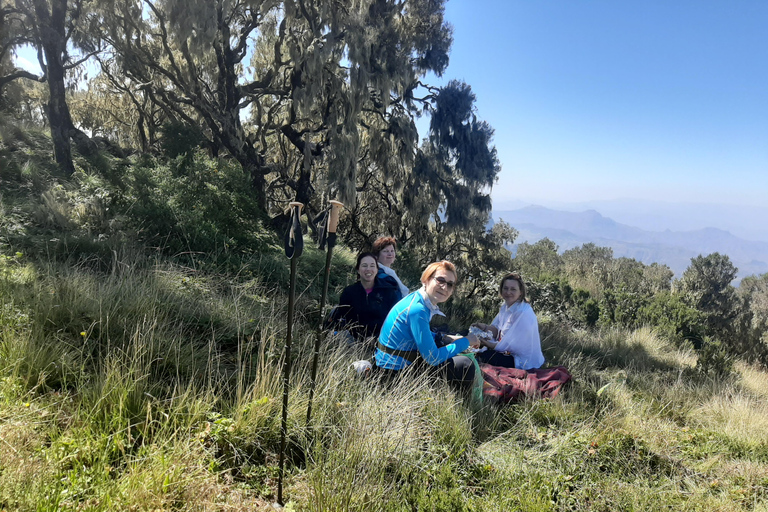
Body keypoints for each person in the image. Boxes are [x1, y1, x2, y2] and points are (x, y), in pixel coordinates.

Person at [374, 260, 480, 389]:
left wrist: (447, 338)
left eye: (450, 284)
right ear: (426, 280)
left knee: (452, 352)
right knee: (465, 365)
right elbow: (432, 358)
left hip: (392, 361)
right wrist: (466, 341)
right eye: (440, 280)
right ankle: (461, 405)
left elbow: (421, 334)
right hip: (392, 373)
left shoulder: (418, 300)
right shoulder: (418, 309)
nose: (445, 287)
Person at [472, 272, 545, 370]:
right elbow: (498, 331)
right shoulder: (505, 307)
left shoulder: (523, 313)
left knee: (484, 357)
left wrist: (488, 344)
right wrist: (484, 327)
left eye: (513, 289)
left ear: (521, 292)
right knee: (471, 338)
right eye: (505, 288)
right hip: (503, 348)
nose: (508, 292)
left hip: (520, 359)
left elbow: (514, 347)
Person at [330, 253, 400, 346]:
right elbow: (341, 317)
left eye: (372, 266)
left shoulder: (388, 291)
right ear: (358, 270)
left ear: (377, 269)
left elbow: (394, 320)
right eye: (364, 266)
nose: (368, 269)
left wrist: (376, 338)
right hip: (354, 342)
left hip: (382, 341)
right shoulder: (349, 292)